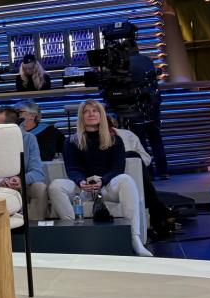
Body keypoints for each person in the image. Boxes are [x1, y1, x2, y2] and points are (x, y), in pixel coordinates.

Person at [48, 99, 149, 255]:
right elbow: (72, 168)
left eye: (95, 111)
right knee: (55, 185)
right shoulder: (70, 141)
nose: (91, 114)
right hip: (83, 187)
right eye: (86, 111)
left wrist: (103, 180)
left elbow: (117, 168)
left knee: (126, 180)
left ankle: (134, 238)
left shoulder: (115, 140)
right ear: (81, 116)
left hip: (107, 185)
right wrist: (81, 181)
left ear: (101, 115)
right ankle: (74, 231)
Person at [0, 107, 47, 220]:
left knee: (39, 188)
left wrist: (21, 179)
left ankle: (33, 227)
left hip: (22, 185)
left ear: (9, 126)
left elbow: (38, 173)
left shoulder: (29, 139)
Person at [127, 42, 169, 179]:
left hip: (136, 108)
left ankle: (148, 173)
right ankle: (163, 172)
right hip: (152, 105)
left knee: (141, 142)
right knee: (156, 140)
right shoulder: (147, 60)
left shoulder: (125, 64)